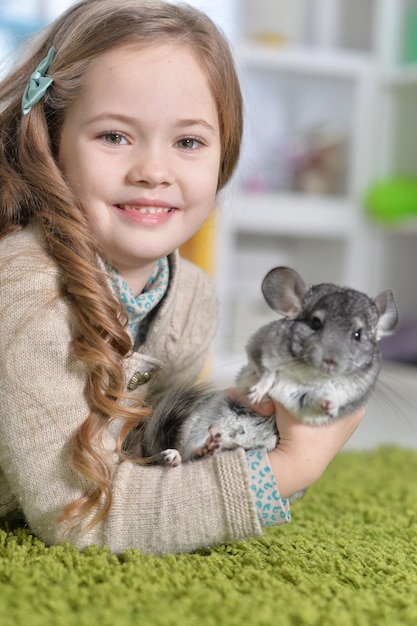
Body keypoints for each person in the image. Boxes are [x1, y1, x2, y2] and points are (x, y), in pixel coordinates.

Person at [0, 0, 363, 556]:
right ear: (52, 144)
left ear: (224, 158)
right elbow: (78, 519)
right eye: (115, 136)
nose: (153, 170)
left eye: (188, 142)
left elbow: (145, 454)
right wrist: (290, 466)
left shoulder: (189, 294)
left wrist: (227, 428)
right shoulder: (26, 286)